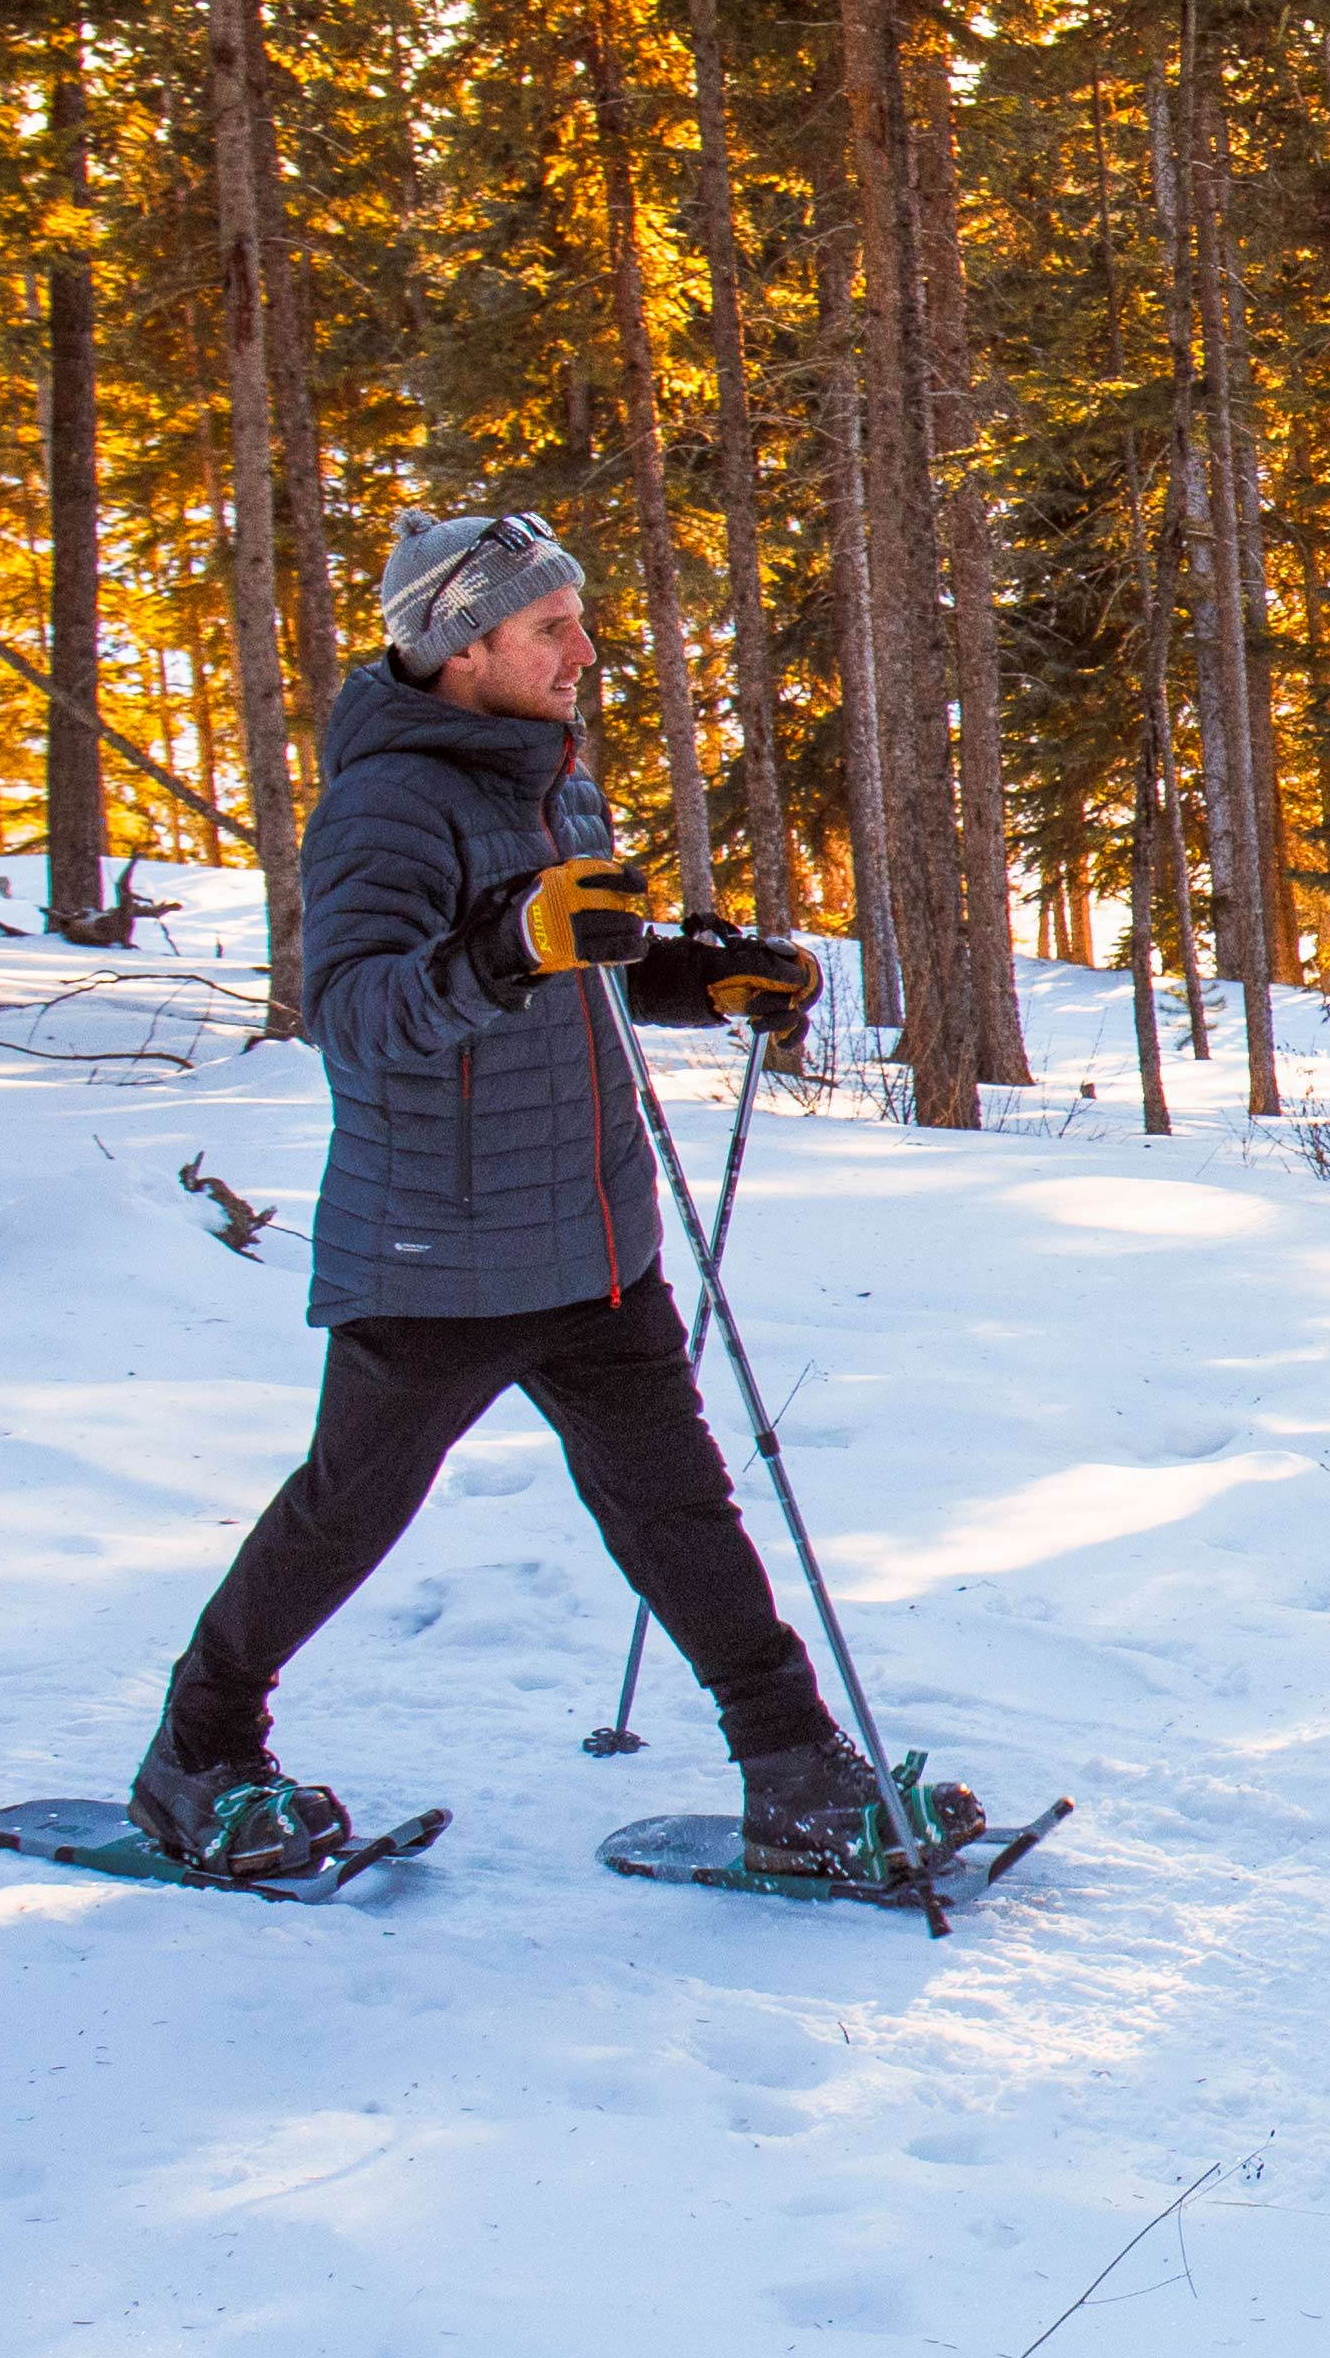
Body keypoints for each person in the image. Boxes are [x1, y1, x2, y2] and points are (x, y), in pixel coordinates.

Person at [133, 513, 867, 1882]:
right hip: (443, 1246)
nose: (585, 651)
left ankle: (798, 1773)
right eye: (550, 628)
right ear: (464, 648)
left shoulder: (549, 777)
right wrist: (514, 944)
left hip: (591, 1232)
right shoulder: (387, 804)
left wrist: (696, 981)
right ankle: (198, 1752)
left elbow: (568, 961)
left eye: (576, 621)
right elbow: (355, 1013)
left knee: (678, 1503)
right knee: (351, 1506)